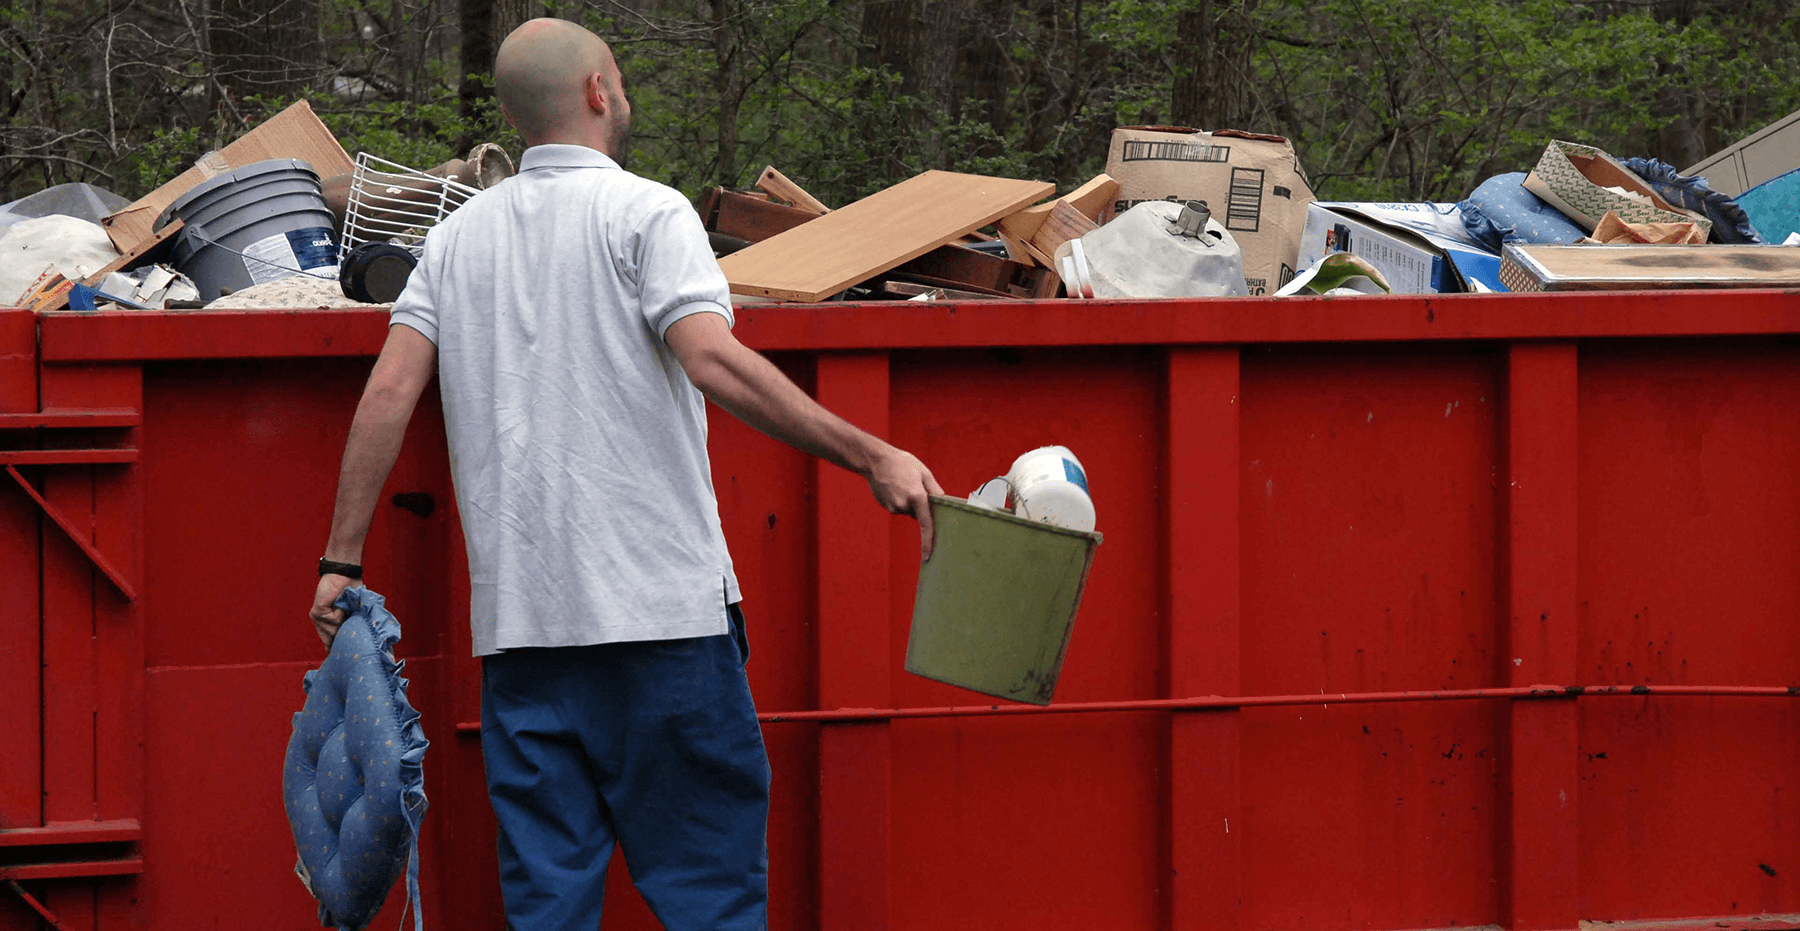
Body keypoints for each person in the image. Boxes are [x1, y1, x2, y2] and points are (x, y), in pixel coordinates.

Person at [307, 17, 942, 930]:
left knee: (549, 909)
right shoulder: (648, 212)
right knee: (710, 899)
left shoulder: (456, 240)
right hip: (666, 627)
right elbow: (712, 360)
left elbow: (391, 389)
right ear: (600, 91)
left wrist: (342, 559)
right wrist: (871, 451)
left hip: (522, 637)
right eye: (622, 82)